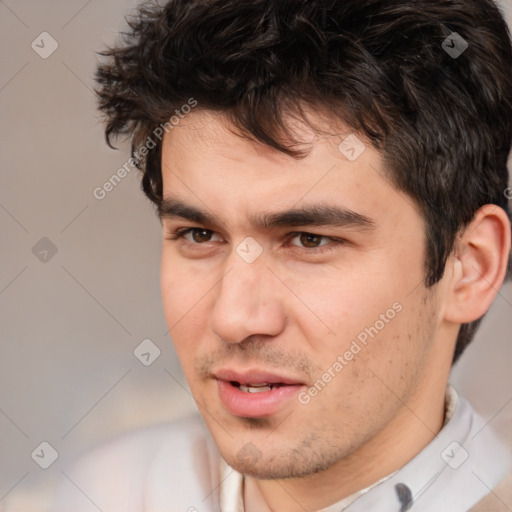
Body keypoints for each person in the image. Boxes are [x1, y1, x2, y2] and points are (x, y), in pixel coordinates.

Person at [54, 0, 512, 510]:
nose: (233, 318)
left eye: (309, 240)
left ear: (471, 267)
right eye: (199, 235)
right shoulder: (92, 493)